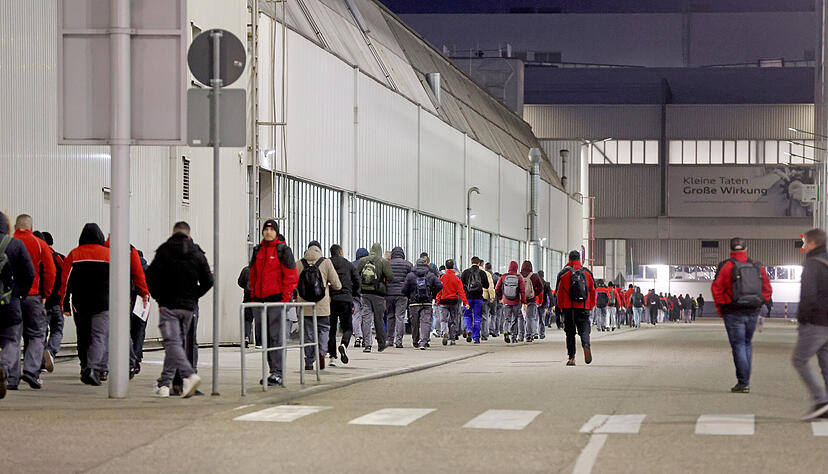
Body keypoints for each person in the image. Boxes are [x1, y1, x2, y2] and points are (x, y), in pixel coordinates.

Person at [145, 222, 212, 398]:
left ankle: (188, 375)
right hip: (188, 308)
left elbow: (150, 276)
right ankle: (165, 384)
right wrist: (194, 295)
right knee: (176, 344)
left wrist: (158, 297)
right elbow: (208, 280)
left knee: (173, 343)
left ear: (173, 233)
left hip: (169, 306)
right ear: (188, 235)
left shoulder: (163, 251)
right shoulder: (196, 252)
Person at [711, 237, 772, 394]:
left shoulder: (727, 266)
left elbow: (716, 289)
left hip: (733, 312)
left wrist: (722, 308)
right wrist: (759, 303)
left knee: (738, 345)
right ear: (746, 249)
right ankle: (745, 381)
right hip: (752, 311)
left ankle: (743, 382)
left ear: (731, 250)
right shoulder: (757, 267)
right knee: (747, 344)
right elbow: (767, 289)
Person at [248, 219, 299, 386]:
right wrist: (254, 296)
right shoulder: (258, 251)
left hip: (276, 301)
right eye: (266, 229)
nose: (268, 232)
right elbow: (253, 274)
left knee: (275, 337)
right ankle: (273, 371)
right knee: (265, 338)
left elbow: (291, 277)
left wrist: (284, 298)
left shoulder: (283, 250)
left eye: (271, 229)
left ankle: (277, 372)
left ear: (276, 232)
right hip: (260, 302)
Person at [60, 223, 109, 386]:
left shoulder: (74, 254)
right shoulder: (109, 255)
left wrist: (65, 304)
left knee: (83, 336)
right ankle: (94, 368)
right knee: (99, 336)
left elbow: (65, 282)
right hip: (103, 303)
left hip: (80, 304)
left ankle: (84, 366)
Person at [11, 215, 56, 389]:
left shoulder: (9, 241)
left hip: (11, 297)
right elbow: (50, 272)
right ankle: (30, 371)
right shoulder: (39, 243)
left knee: (13, 336)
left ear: (15, 226)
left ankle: (11, 377)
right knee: (37, 334)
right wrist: (46, 293)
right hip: (33, 296)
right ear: (31, 226)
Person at [792, 229, 828, 420]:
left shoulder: (813, 264)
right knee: (826, 363)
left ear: (813, 243)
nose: (804, 247)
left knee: (799, 360)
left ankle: (821, 401)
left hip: (816, 322)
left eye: (805, 243)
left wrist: (803, 320)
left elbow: (808, 296)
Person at [0, 212, 35, 398]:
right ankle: (4, 367)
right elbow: (29, 273)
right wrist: (20, 293)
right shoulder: (15, 245)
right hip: (10, 301)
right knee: (11, 340)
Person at [296, 241, 342, 371]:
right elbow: (337, 284)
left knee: (308, 334)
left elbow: (294, 282)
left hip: (305, 305)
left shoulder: (300, 263)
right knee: (323, 330)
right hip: (322, 305)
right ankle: (321, 353)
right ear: (320, 250)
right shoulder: (326, 262)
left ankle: (309, 362)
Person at [556, 251, 596, 366]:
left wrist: (560, 308)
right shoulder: (587, 273)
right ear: (580, 259)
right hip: (583, 306)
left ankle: (572, 357)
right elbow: (593, 291)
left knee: (570, 333)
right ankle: (586, 344)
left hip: (568, 308)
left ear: (569, 259)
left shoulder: (563, 273)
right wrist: (590, 306)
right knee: (584, 329)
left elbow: (558, 292)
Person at [356, 243, 394, 353]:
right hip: (378, 294)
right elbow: (390, 276)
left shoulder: (363, 261)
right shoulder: (382, 261)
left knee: (366, 318)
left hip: (364, 293)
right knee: (379, 319)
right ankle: (381, 344)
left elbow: (356, 274)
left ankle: (367, 345)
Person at [328, 244, 359, 364]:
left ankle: (332, 357)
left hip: (331, 300)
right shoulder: (348, 264)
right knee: (347, 327)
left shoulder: (327, 263)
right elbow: (357, 280)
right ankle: (344, 345)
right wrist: (354, 293)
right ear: (340, 252)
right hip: (346, 299)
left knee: (331, 328)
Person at [402, 256, 442, 349]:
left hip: (414, 303)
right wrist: (432, 294)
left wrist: (410, 296)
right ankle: (423, 342)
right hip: (427, 303)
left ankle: (415, 341)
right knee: (426, 322)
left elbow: (404, 289)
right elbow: (439, 285)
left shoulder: (410, 275)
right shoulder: (430, 275)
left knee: (415, 323)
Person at [436, 259, 468, 346]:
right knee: (453, 320)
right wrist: (465, 303)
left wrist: (438, 300)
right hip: (454, 301)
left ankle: (444, 332)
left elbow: (439, 291)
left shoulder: (441, 277)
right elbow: (461, 292)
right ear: (453, 266)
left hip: (443, 301)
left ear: (446, 267)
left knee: (443, 320)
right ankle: (452, 339)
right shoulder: (457, 278)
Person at [385, 247, 412, 349]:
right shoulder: (408, 265)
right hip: (402, 294)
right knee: (400, 317)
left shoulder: (387, 264)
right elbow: (411, 280)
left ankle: (389, 340)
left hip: (389, 294)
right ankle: (399, 341)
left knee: (390, 316)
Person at [460, 257, 489, 344]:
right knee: (477, 317)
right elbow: (486, 286)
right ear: (479, 263)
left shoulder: (466, 272)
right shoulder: (482, 273)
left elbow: (460, 285)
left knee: (467, 315)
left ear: (471, 262)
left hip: (468, 298)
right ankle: (476, 338)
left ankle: (469, 329)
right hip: (478, 299)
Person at [495, 261, 525, 344]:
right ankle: (514, 337)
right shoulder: (519, 278)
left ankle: (505, 330)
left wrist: (501, 297)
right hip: (516, 301)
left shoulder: (503, 277)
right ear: (516, 268)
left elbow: (497, 288)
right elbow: (522, 291)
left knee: (506, 318)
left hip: (506, 301)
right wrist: (523, 301)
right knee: (514, 319)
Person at [519, 260, 543, 341]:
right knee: (530, 318)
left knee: (520, 318)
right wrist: (534, 294)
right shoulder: (535, 276)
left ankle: (521, 336)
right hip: (531, 300)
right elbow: (540, 287)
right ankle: (529, 335)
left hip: (520, 300)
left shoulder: (519, 275)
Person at [238, 265, 259, 348]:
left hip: (248, 297)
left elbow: (240, 282)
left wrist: (246, 288)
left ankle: (245, 338)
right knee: (259, 320)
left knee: (247, 320)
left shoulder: (246, 270)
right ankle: (259, 342)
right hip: (259, 298)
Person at [351, 247, 369, 347]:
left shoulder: (352, 265)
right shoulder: (369, 265)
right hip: (367, 293)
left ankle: (358, 337)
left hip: (355, 294)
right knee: (366, 316)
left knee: (356, 315)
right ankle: (366, 339)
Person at [481, 262, 496, 340]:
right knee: (485, 316)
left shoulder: (468, 272)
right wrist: (492, 296)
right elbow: (490, 286)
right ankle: (484, 334)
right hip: (484, 297)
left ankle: (473, 333)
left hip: (472, 297)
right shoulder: (487, 274)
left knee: (474, 316)